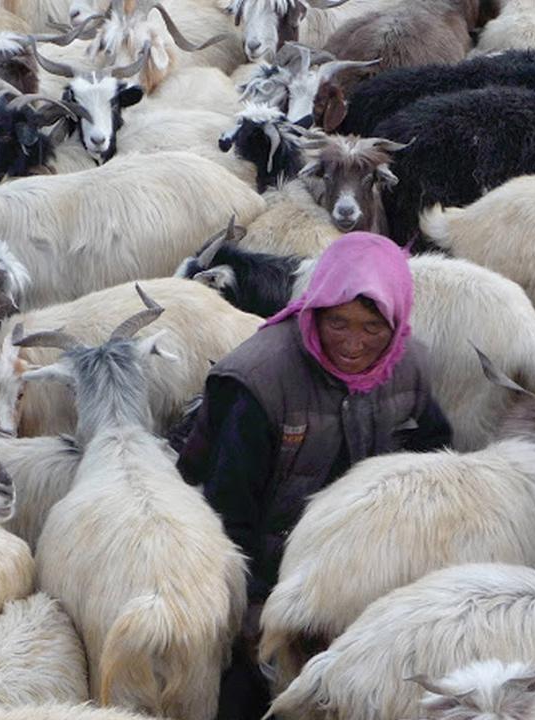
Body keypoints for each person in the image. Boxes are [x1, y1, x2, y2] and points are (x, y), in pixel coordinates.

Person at [177, 232, 453, 720]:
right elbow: (226, 508)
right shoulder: (261, 380)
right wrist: (251, 609)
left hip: (358, 568)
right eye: (338, 323)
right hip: (261, 568)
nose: (353, 343)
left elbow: (435, 463)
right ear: (314, 310)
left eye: (373, 327)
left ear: (397, 321)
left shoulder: (408, 369)